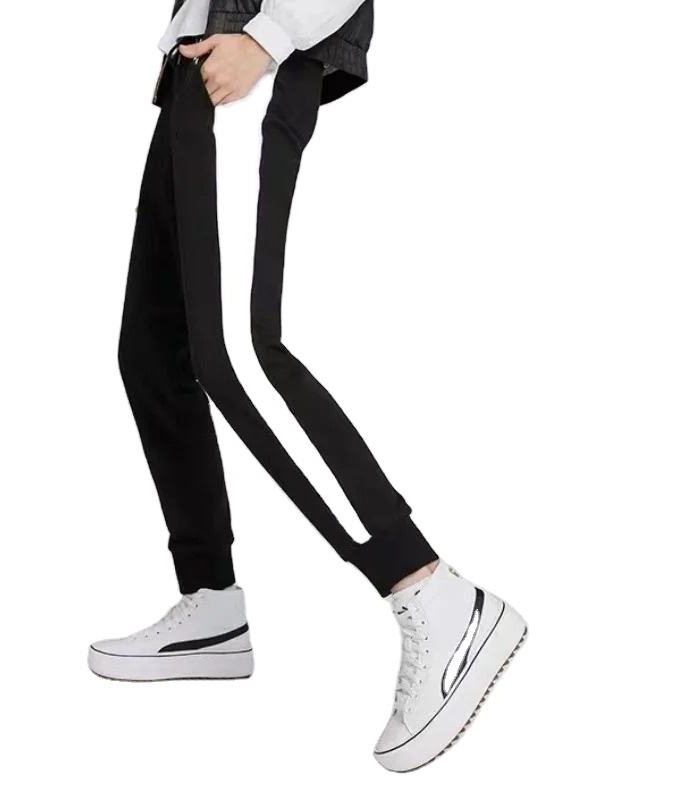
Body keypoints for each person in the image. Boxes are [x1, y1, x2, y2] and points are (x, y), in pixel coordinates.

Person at [87, 0, 527, 772]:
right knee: (153, 352)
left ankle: (427, 587)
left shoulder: (258, 47)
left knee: (237, 352)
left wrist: (269, 36)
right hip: (199, 66)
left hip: (242, 61)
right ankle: (212, 604)